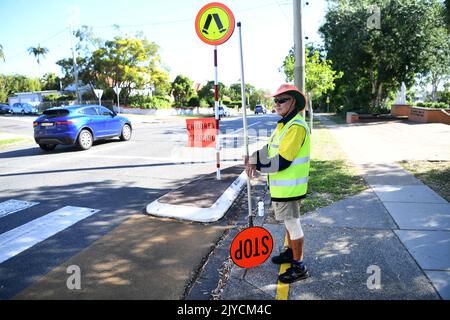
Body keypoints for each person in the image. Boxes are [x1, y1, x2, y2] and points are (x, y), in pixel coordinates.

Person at [244, 84, 310, 283]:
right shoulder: (283, 125)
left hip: (290, 188)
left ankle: (299, 266)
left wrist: (257, 166)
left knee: (292, 223)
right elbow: (270, 149)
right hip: (283, 187)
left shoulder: (296, 127)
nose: (277, 104)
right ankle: (291, 253)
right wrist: (255, 157)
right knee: (288, 223)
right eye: (276, 100)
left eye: (282, 100)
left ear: (294, 103)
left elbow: (282, 161)